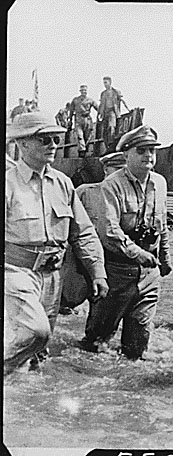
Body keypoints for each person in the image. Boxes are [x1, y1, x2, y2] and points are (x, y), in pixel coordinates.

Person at [4, 112, 108, 375]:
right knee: (36, 331)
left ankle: (24, 391)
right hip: (16, 272)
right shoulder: (8, 184)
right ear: (23, 144)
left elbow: (83, 233)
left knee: (40, 349)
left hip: (52, 276)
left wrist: (97, 271)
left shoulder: (63, 183)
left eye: (55, 139)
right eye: (44, 139)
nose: (53, 145)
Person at [80, 125, 172, 360]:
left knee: (137, 345)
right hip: (117, 272)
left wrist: (165, 257)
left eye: (152, 150)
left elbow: (161, 224)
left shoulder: (160, 183)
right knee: (97, 342)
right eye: (141, 151)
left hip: (149, 274)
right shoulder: (112, 185)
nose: (148, 156)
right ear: (126, 155)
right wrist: (138, 254)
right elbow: (109, 232)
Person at [59, 152, 127, 316]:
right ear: (105, 170)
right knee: (71, 300)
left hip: (114, 262)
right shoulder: (85, 192)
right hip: (85, 260)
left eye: (125, 171)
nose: (121, 176)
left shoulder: (130, 197)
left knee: (105, 310)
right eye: (117, 170)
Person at [98, 76, 129, 149]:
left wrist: (128, 109)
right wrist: (99, 114)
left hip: (112, 112)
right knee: (104, 131)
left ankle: (111, 143)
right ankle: (107, 146)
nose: (105, 84)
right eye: (104, 83)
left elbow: (122, 100)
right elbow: (101, 105)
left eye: (106, 82)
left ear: (110, 82)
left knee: (111, 127)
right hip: (105, 113)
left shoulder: (115, 91)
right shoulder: (103, 93)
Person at [69, 84, 99, 157]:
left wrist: (101, 115)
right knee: (79, 135)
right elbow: (71, 110)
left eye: (85, 90)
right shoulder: (75, 100)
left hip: (87, 119)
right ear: (80, 91)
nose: (84, 92)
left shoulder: (90, 100)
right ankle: (82, 150)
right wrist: (70, 120)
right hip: (79, 119)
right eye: (82, 91)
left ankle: (85, 150)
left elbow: (98, 108)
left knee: (88, 136)